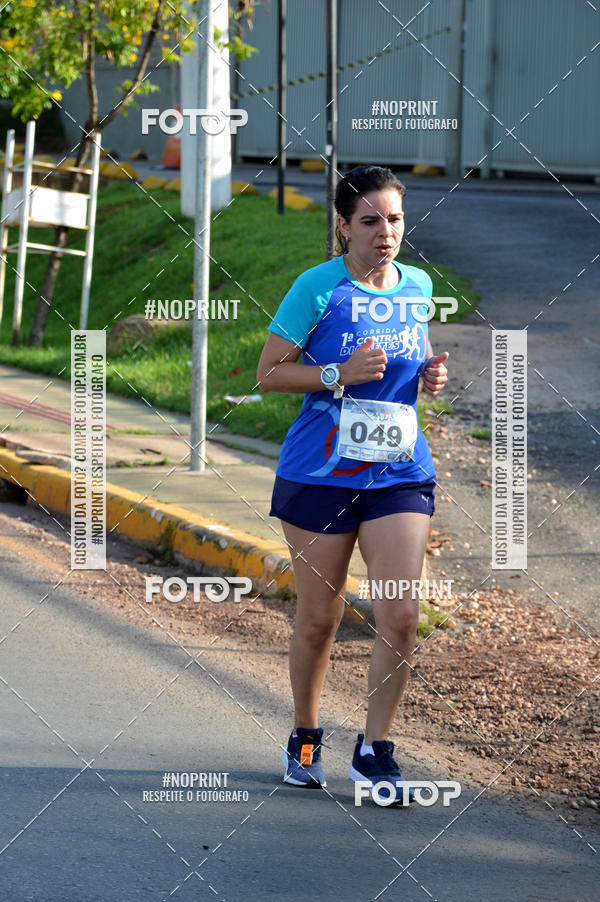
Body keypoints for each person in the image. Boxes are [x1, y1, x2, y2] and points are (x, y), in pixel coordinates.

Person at [256, 166, 449, 804]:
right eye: (369, 221)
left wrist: (428, 376)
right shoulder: (317, 287)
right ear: (343, 227)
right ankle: (306, 736)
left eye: (394, 219)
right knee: (321, 617)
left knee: (400, 613)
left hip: (398, 469)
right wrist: (337, 372)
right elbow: (270, 374)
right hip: (320, 473)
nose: (384, 232)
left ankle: (375, 752)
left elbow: (408, 362)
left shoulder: (418, 285)